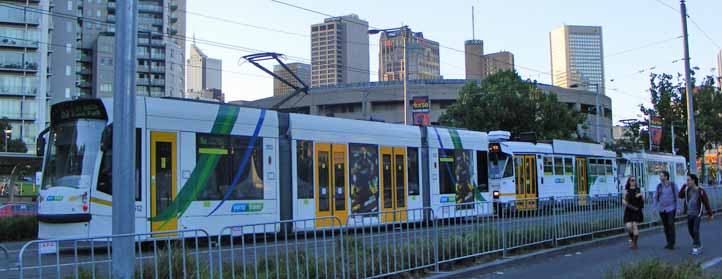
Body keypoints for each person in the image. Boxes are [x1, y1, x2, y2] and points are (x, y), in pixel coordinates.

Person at [678, 174, 714, 255]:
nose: (687, 182)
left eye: (688, 180)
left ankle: (696, 246)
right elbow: (680, 195)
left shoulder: (701, 191)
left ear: (693, 180)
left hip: (697, 213)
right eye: (687, 180)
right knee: (691, 231)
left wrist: (710, 214)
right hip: (689, 213)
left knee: (695, 230)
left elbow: (706, 202)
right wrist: (684, 185)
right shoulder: (687, 190)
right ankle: (698, 242)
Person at [655, 170, 678, 250]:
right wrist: (654, 208)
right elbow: (656, 198)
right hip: (662, 209)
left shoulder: (672, 185)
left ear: (666, 177)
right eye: (660, 176)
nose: (660, 178)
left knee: (670, 224)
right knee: (666, 226)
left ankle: (672, 243)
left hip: (671, 208)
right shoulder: (659, 186)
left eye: (661, 176)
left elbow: (677, 197)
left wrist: (678, 208)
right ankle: (668, 242)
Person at [622, 176, 644, 249]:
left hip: (637, 210)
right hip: (629, 210)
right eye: (632, 180)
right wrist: (624, 201)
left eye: (634, 180)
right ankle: (632, 240)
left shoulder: (638, 190)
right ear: (629, 181)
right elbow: (624, 201)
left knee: (634, 226)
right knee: (628, 227)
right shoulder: (626, 190)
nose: (633, 182)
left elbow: (643, 200)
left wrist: (641, 195)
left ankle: (634, 244)